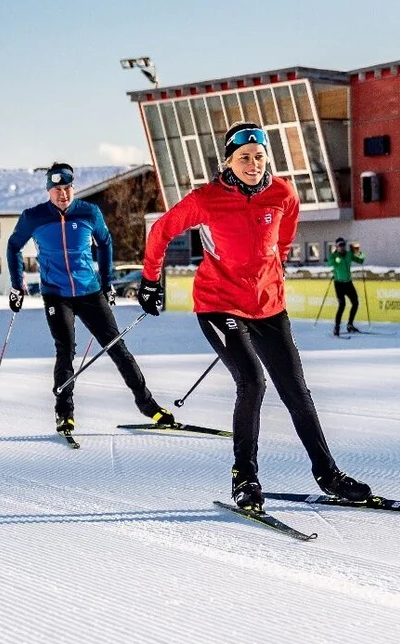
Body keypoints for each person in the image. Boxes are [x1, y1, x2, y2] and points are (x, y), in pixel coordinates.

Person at [135, 123, 375, 512]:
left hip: (268, 306)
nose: (253, 163)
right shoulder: (206, 199)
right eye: (244, 157)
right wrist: (150, 281)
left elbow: (283, 240)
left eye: (259, 157)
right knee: (252, 382)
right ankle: (244, 478)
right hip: (218, 303)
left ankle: (328, 474)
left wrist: (271, 269)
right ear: (228, 160)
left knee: (296, 390)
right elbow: (161, 231)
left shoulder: (282, 194)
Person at [7, 162, 175, 436]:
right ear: (49, 190)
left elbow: (106, 242)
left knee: (117, 348)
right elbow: (14, 246)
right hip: (56, 295)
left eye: (68, 188)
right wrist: (17, 286)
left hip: (90, 292)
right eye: (57, 189)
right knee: (66, 351)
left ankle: (149, 406)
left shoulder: (88, 212)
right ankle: (65, 414)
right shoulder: (33, 217)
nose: (63, 194)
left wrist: (108, 283)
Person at [326, 237, 365, 336]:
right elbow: (329, 263)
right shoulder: (334, 256)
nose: (342, 247)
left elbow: (360, 261)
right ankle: (336, 327)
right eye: (340, 245)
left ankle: (350, 324)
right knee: (342, 305)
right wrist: (335, 260)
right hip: (339, 284)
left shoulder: (348, 254)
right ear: (336, 247)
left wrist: (360, 253)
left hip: (348, 283)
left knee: (355, 303)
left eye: (343, 245)